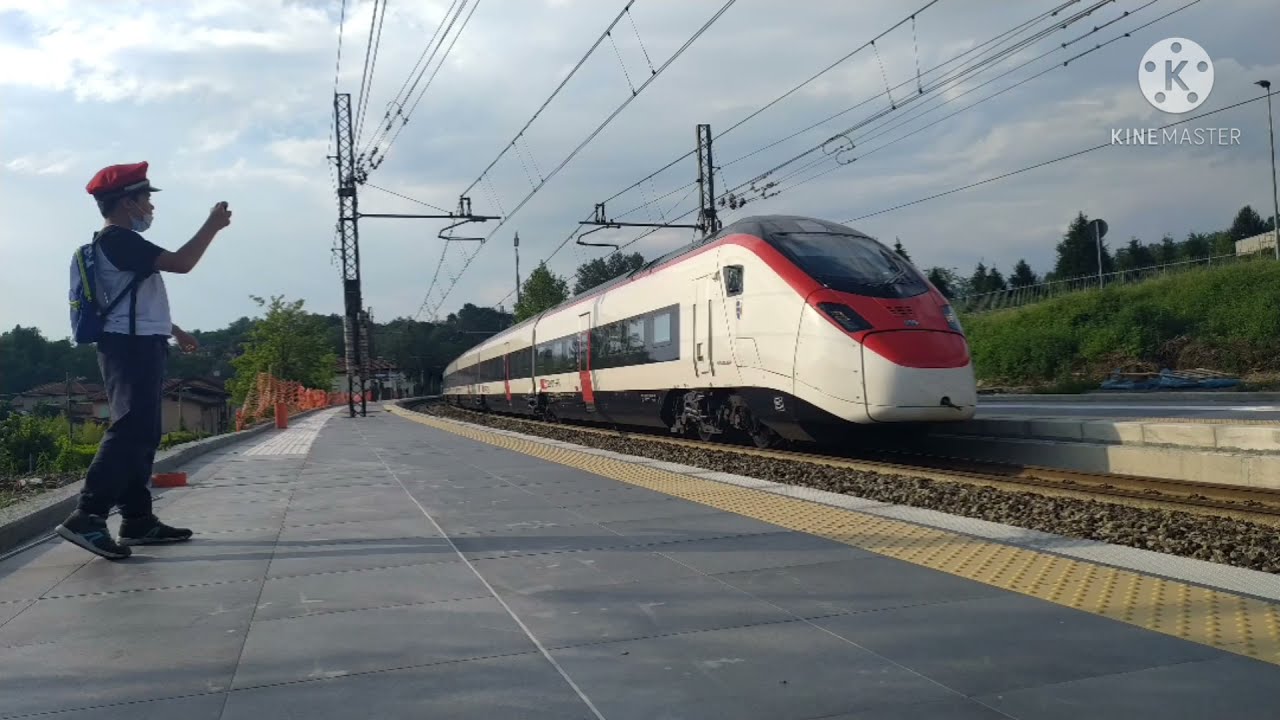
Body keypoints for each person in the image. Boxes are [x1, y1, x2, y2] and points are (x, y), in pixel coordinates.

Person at [56, 161, 232, 560]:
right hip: (129, 346)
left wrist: (174, 329)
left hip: (139, 341)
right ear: (125, 202)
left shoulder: (116, 244)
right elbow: (182, 263)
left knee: (143, 432)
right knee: (130, 428)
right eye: (145, 198)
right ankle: (87, 515)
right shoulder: (118, 240)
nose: (150, 207)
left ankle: (137, 519)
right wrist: (212, 225)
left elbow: (133, 301)